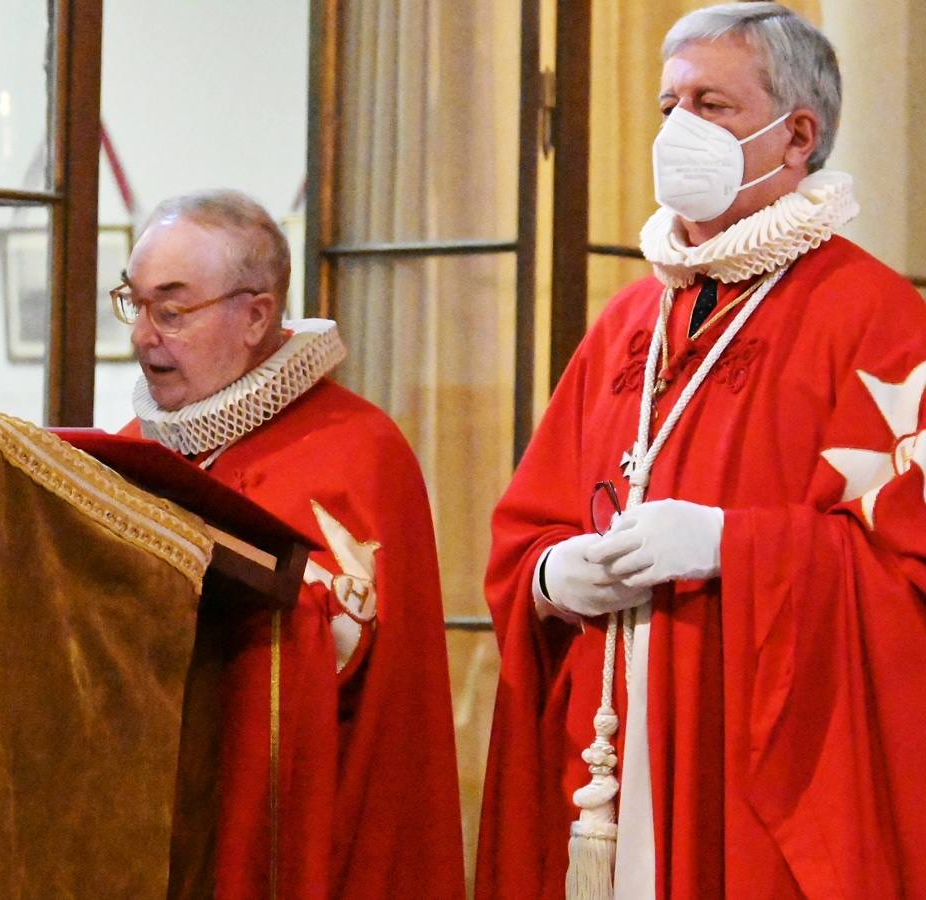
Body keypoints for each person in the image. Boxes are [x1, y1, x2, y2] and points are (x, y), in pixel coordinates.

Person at [478, 4, 926, 898]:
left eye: (711, 104)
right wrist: (549, 574)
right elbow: (530, 525)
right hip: (608, 735)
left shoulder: (876, 318)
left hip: (751, 752)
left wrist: (734, 547)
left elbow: (906, 573)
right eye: (668, 103)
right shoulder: (627, 321)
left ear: (797, 134)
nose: (679, 128)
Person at [115, 189, 465, 899]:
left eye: (173, 311)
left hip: (300, 822)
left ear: (255, 316)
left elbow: (350, 652)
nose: (145, 336)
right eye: (135, 303)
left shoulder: (358, 451)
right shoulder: (130, 454)